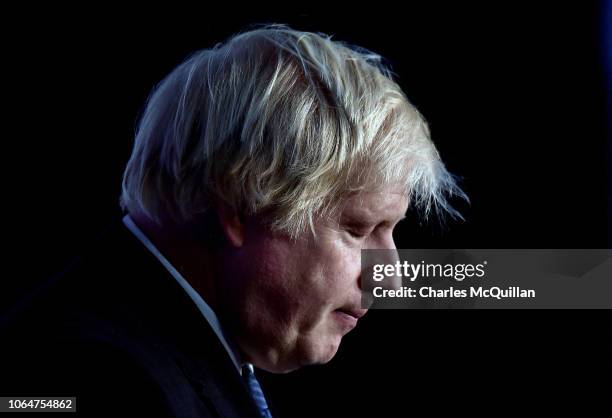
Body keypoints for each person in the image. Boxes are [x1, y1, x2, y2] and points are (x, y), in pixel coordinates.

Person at [0, 24, 465, 417]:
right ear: (240, 207)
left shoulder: (155, 351)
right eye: (358, 229)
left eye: (390, 229)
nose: (390, 280)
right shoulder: (101, 381)